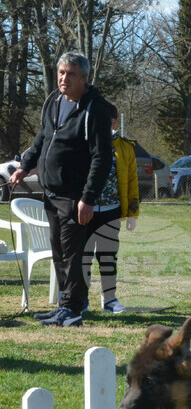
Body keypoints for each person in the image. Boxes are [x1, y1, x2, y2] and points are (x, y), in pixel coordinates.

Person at [10, 51, 113, 327]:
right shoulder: (53, 101)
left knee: (73, 255)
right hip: (51, 193)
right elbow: (42, 138)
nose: (64, 78)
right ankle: (66, 306)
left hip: (75, 197)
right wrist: (24, 165)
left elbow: (102, 158)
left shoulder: (95, 109)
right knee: (59, 252)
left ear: (84, 78)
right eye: (61, 73)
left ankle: (73, 310)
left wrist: (88, 198)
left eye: (71, 74)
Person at [81, 104, 138, 314]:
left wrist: (132, 214)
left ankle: (110, 299)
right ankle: (81, 299)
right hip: (84, 210)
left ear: (113, 122)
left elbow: (132, 181)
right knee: (82, 256)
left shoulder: (125, 148)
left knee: (107, 257)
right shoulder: (82, 144)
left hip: (111, 210)